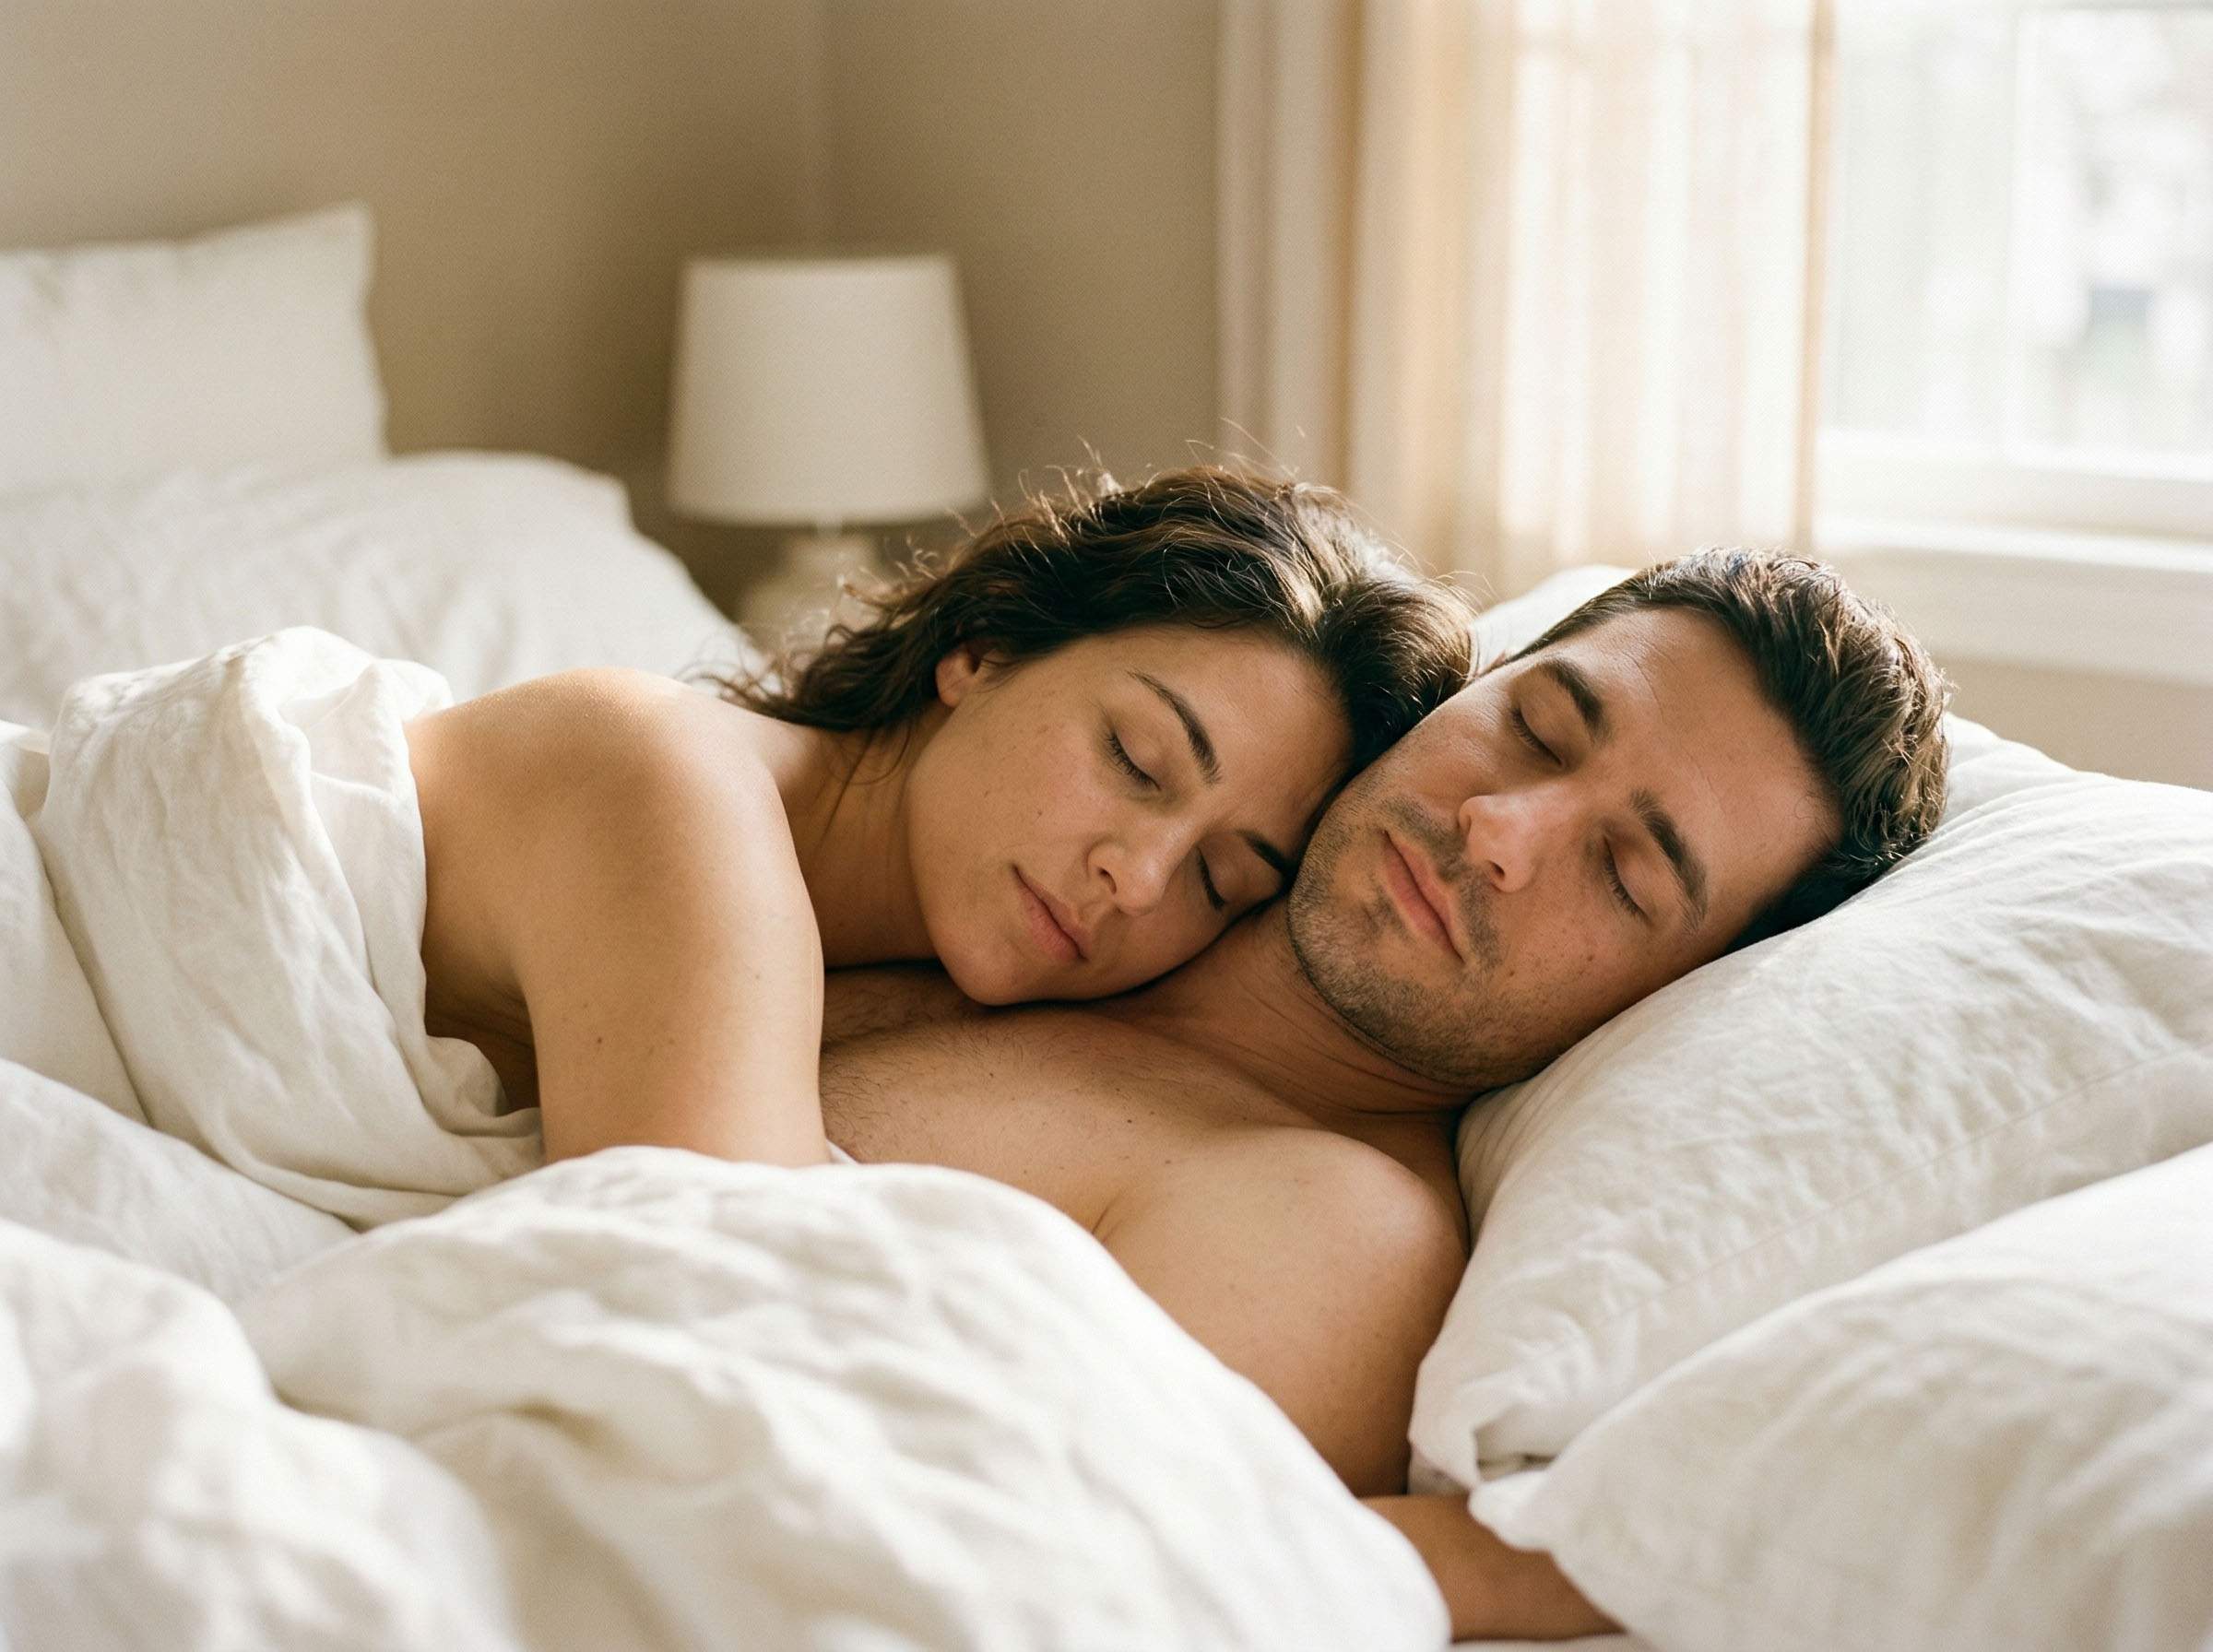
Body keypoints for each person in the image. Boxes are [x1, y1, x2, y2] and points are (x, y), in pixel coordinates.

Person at [805, 547, 1950, 1640]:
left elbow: (951, 1592)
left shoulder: (1324, 1231)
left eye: (1622, 873)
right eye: (1537, 729)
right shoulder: (1048, 877)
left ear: (1672, 994)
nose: (1501, 830)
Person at [407, 467, 1475, 1166]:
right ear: (981, 647)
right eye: (1136, 760)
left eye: (1219, 880)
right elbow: (701, 1301)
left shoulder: (909, 1000)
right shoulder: (664, 782)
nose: (1140, 880)